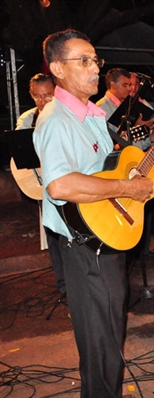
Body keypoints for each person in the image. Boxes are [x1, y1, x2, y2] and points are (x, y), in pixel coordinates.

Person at [33, 29, 154, 397]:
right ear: (57, 69)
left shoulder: (93, 115)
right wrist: (127, 189)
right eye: (82, 61)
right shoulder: (56, 119)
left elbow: (115, 168)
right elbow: (60, 186)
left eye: (95, 59)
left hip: (107, 237)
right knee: (100, 350)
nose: (94, 68)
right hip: (85, 249)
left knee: (110, 342)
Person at [16, 73, 66, 295]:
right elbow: (20, 149)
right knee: (53, 235)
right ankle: (63, 284)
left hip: (65, 184)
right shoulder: (27, 119)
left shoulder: (65, 116)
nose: (43, 101)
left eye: (47, 96)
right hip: (43, 185)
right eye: (37, 97)